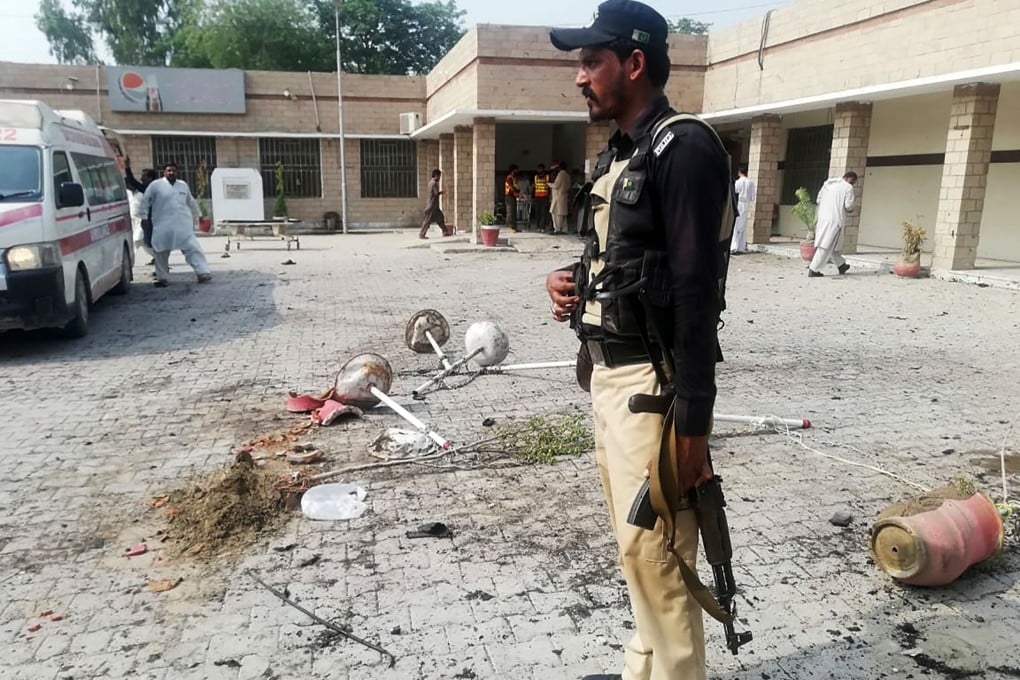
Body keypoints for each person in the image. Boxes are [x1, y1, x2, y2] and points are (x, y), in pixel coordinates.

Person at [545, 2, 735, 679]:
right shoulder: (624, 152)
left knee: (660, 560)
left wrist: (693, 427)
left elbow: (693, 293)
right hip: (609, 381)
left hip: (651, 391)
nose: (579, 77)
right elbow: (625, 260)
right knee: (639, 556)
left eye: (590, 61)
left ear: (633, 63)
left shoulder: (683, 149)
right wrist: (570, 281)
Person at [140, 162, 213, 287]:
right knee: (160, 251)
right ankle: (162, 277)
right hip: (163, 225)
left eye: (173, 170)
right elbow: (145, 201)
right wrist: (144, 217)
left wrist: (199, 215)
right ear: (164, 172)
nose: (171, 173)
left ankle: (202, 273)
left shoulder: (183, 185)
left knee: (193, 248)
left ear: (177, 172)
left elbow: (191, 201)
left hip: (183, 225)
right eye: (168, 170)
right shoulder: (156, 186)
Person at [809, 171, 858, 277]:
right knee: (826, 245)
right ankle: (814, 269)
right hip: (835, 220)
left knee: (832, 244)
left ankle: (841, 265)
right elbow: (848, 206)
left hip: (822, 218)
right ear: (850, 179)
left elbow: (818, 200)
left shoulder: (828, 183)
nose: (853, 184)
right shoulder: (848, 187)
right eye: (853, 182)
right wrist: (852, 208)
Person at [124, 158, 158, 267]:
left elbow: (133, 182)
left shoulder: (153, 188)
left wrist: (127, 168)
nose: (141, 178)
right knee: (147, 242)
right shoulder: (147, 188)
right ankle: (159, 261)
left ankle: (160, 263)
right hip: (146, 219)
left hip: (155, 220)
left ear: (150, 178)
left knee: (142, 241)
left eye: (144, 176)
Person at [419, 168, 451, 239]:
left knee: (440, 218)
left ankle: (445, 232)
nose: (439, 178)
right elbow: (436, 193)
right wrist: (442, 192)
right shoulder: (434, 183)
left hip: (434, 205)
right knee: (427, 221)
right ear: (436, 175)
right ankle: (422, 234)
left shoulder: (430, 182)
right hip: (432, 206)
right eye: (439, 176)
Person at [731, 165, 755, 254]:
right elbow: (752, 197)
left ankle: (734, 246)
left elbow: (735, 191)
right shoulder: (751, 183)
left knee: (736, 225)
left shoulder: (738, 182)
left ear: (739, 173)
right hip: (747, 204)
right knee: (743, 226)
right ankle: (741, 247)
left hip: (739, 203)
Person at [550, 161, 572, 234]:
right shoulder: (568, 175)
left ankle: (557, 229)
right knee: (563, 215)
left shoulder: (560, 174)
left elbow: (556, 185)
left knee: (556, 214)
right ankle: (564, 229)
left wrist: (549, 184)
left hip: (558, 197)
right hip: (564, 196)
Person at [533, 163, 552, 231]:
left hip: (545, 197)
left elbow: (550, 187)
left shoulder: (547, 177)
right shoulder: (535, 177)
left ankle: (542, 227)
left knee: (544, 212)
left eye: (540, 168)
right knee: (538, 212)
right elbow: (534, 187)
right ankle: (538, 226)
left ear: (543, 169)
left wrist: (550, 197)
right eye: (538, 169)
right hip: (537, 197)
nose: (539, 170)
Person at [504, 164, 520, 232]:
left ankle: (514, 227)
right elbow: (511, 187)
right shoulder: (509, 177)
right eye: (516, 170)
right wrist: (516, 190)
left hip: (513, 196)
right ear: (513, 170)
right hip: (509, 196)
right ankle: (509, 227)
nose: (517, 171)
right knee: (510, 212)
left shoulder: (514, 178)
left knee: (514, 212)